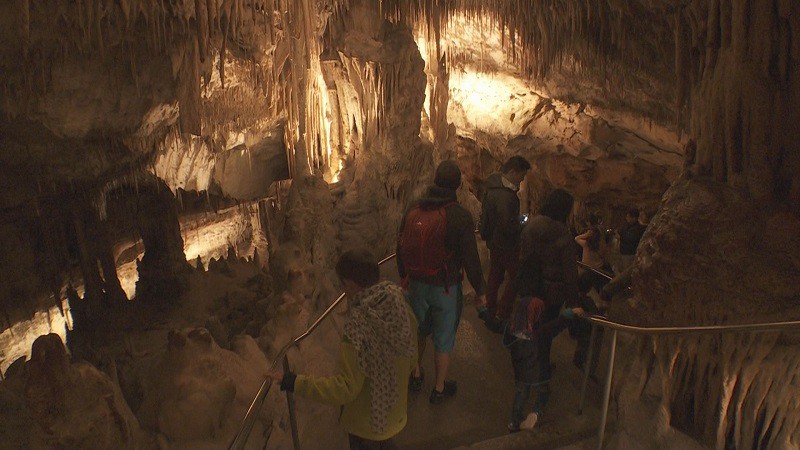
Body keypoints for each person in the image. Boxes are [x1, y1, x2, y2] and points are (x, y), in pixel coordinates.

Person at [267, 249, 417, 450]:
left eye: (342, 284)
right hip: (395, 413)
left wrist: (292, 381)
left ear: (349, 284)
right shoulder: (400, 304)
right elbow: (411, 357)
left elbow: (345, 389)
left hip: (366, 425)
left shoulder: (357, 328)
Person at [397, 160, 487, 404]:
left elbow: (401, 246)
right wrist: (481, 290)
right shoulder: (458, 215)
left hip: (415, 284)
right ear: (458, 185)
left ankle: (416, 374)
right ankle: (438, 388)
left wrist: (405, 277)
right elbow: (470, 258)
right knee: (444, 338)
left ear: (435, 180)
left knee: (418, 331)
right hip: (445, 287)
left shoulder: (414, 209)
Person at [503, 279, 584, 432]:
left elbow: (494, 323)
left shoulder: (510, 329)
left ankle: (514, 422)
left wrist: (483, 312)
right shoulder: (541, 333)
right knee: (543, 392)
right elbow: (559, 323)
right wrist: (570, 312)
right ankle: (536, 412)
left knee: (521, 393)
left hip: (521, 372)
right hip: (539, 372)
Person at [479, 156, 532, 330]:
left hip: (495, 242)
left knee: (495, 276)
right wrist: (522, 225)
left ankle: (490, 310)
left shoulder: (492, 189)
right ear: (512, 172)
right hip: (507, 244)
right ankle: (502, 313)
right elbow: (506, 224)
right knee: (516, 276)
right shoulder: (505, 195)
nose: (522, 179)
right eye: (521, 176)